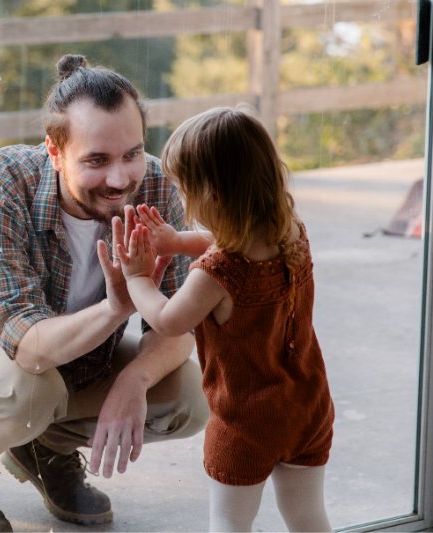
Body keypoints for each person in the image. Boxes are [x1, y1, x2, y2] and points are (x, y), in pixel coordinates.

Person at [0, 54, 209, 533]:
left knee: (189, 396)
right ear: (54, 151)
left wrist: (133, 381)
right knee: (31, 388)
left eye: (131, 154)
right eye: (97, 160)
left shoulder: (156, 183)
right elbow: (30, 348)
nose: (120, 180)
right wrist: (117, 307)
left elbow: (178, 323)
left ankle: (45, 450)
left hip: (68, 359)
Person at [115, 106, 335, 532]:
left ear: (212, 195)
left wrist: (137, 276)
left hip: (245, 423)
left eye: (185, 190)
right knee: (306, 516)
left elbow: (166, 320)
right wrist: (179, 241)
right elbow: (236, 238)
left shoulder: (216, 275)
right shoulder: (291, 231)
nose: (182, 199)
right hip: (307, 407)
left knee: (230, 523)